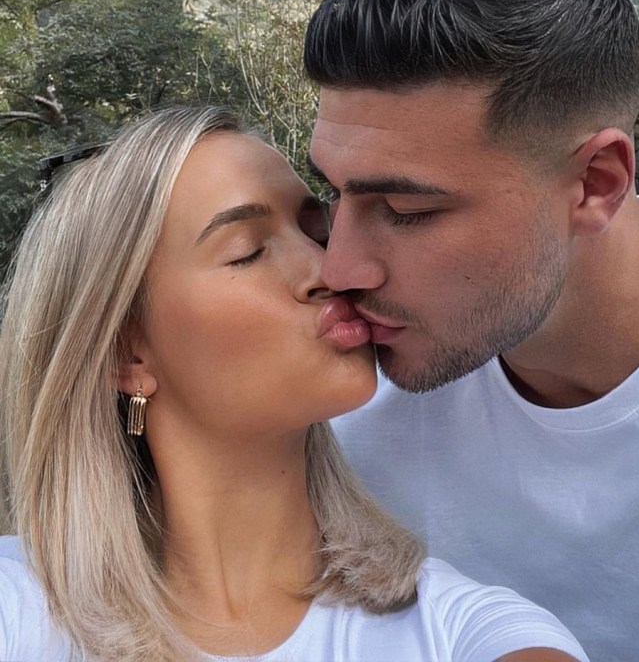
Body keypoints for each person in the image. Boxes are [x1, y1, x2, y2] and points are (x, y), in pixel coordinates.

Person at [303, 0, 639, 662]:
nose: (340, 268)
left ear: (595, 183)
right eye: (332, 196)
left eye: (406, 209)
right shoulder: (336, 411)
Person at [0, 105, 588, 662]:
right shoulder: (18, 611)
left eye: (317, 231)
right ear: (127, 353)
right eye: (248, 252)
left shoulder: (463, 629)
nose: (329, 270)